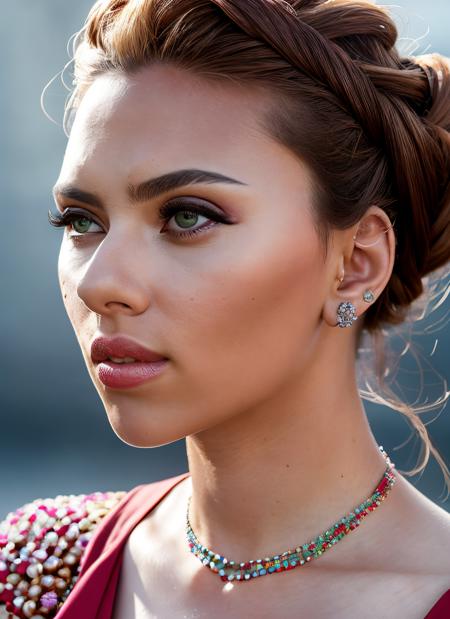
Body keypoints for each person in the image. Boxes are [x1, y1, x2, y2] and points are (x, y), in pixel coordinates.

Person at [1, 0, 450, 617]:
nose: (99, 282)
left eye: (187, 216)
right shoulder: (36, 571)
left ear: (357, 263)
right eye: (82, 221)